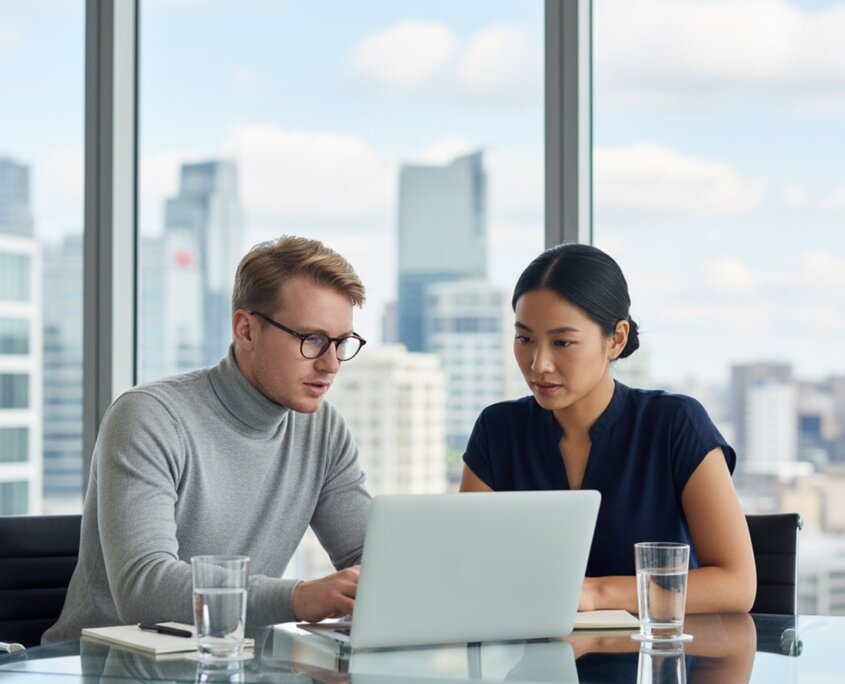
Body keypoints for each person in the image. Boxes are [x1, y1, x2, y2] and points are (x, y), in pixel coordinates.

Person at [44, 236, 372, 642]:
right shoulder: (149, 417)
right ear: (246, 330)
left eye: (342, 343)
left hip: (232, 663)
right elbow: (145, 588)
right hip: (101, 668)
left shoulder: (323, 430)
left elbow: (371, 560)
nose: (331, 363)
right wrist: (300, 598)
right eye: (313, 340)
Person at [460, 243, 756, 614]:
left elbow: (736, 585)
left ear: (615, 338)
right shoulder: (497, 430)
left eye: (562, 342)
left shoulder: (675, 424)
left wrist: (595, 595)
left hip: (654, 664)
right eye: (525, 339)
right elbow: (467, 571)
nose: (539, 364)